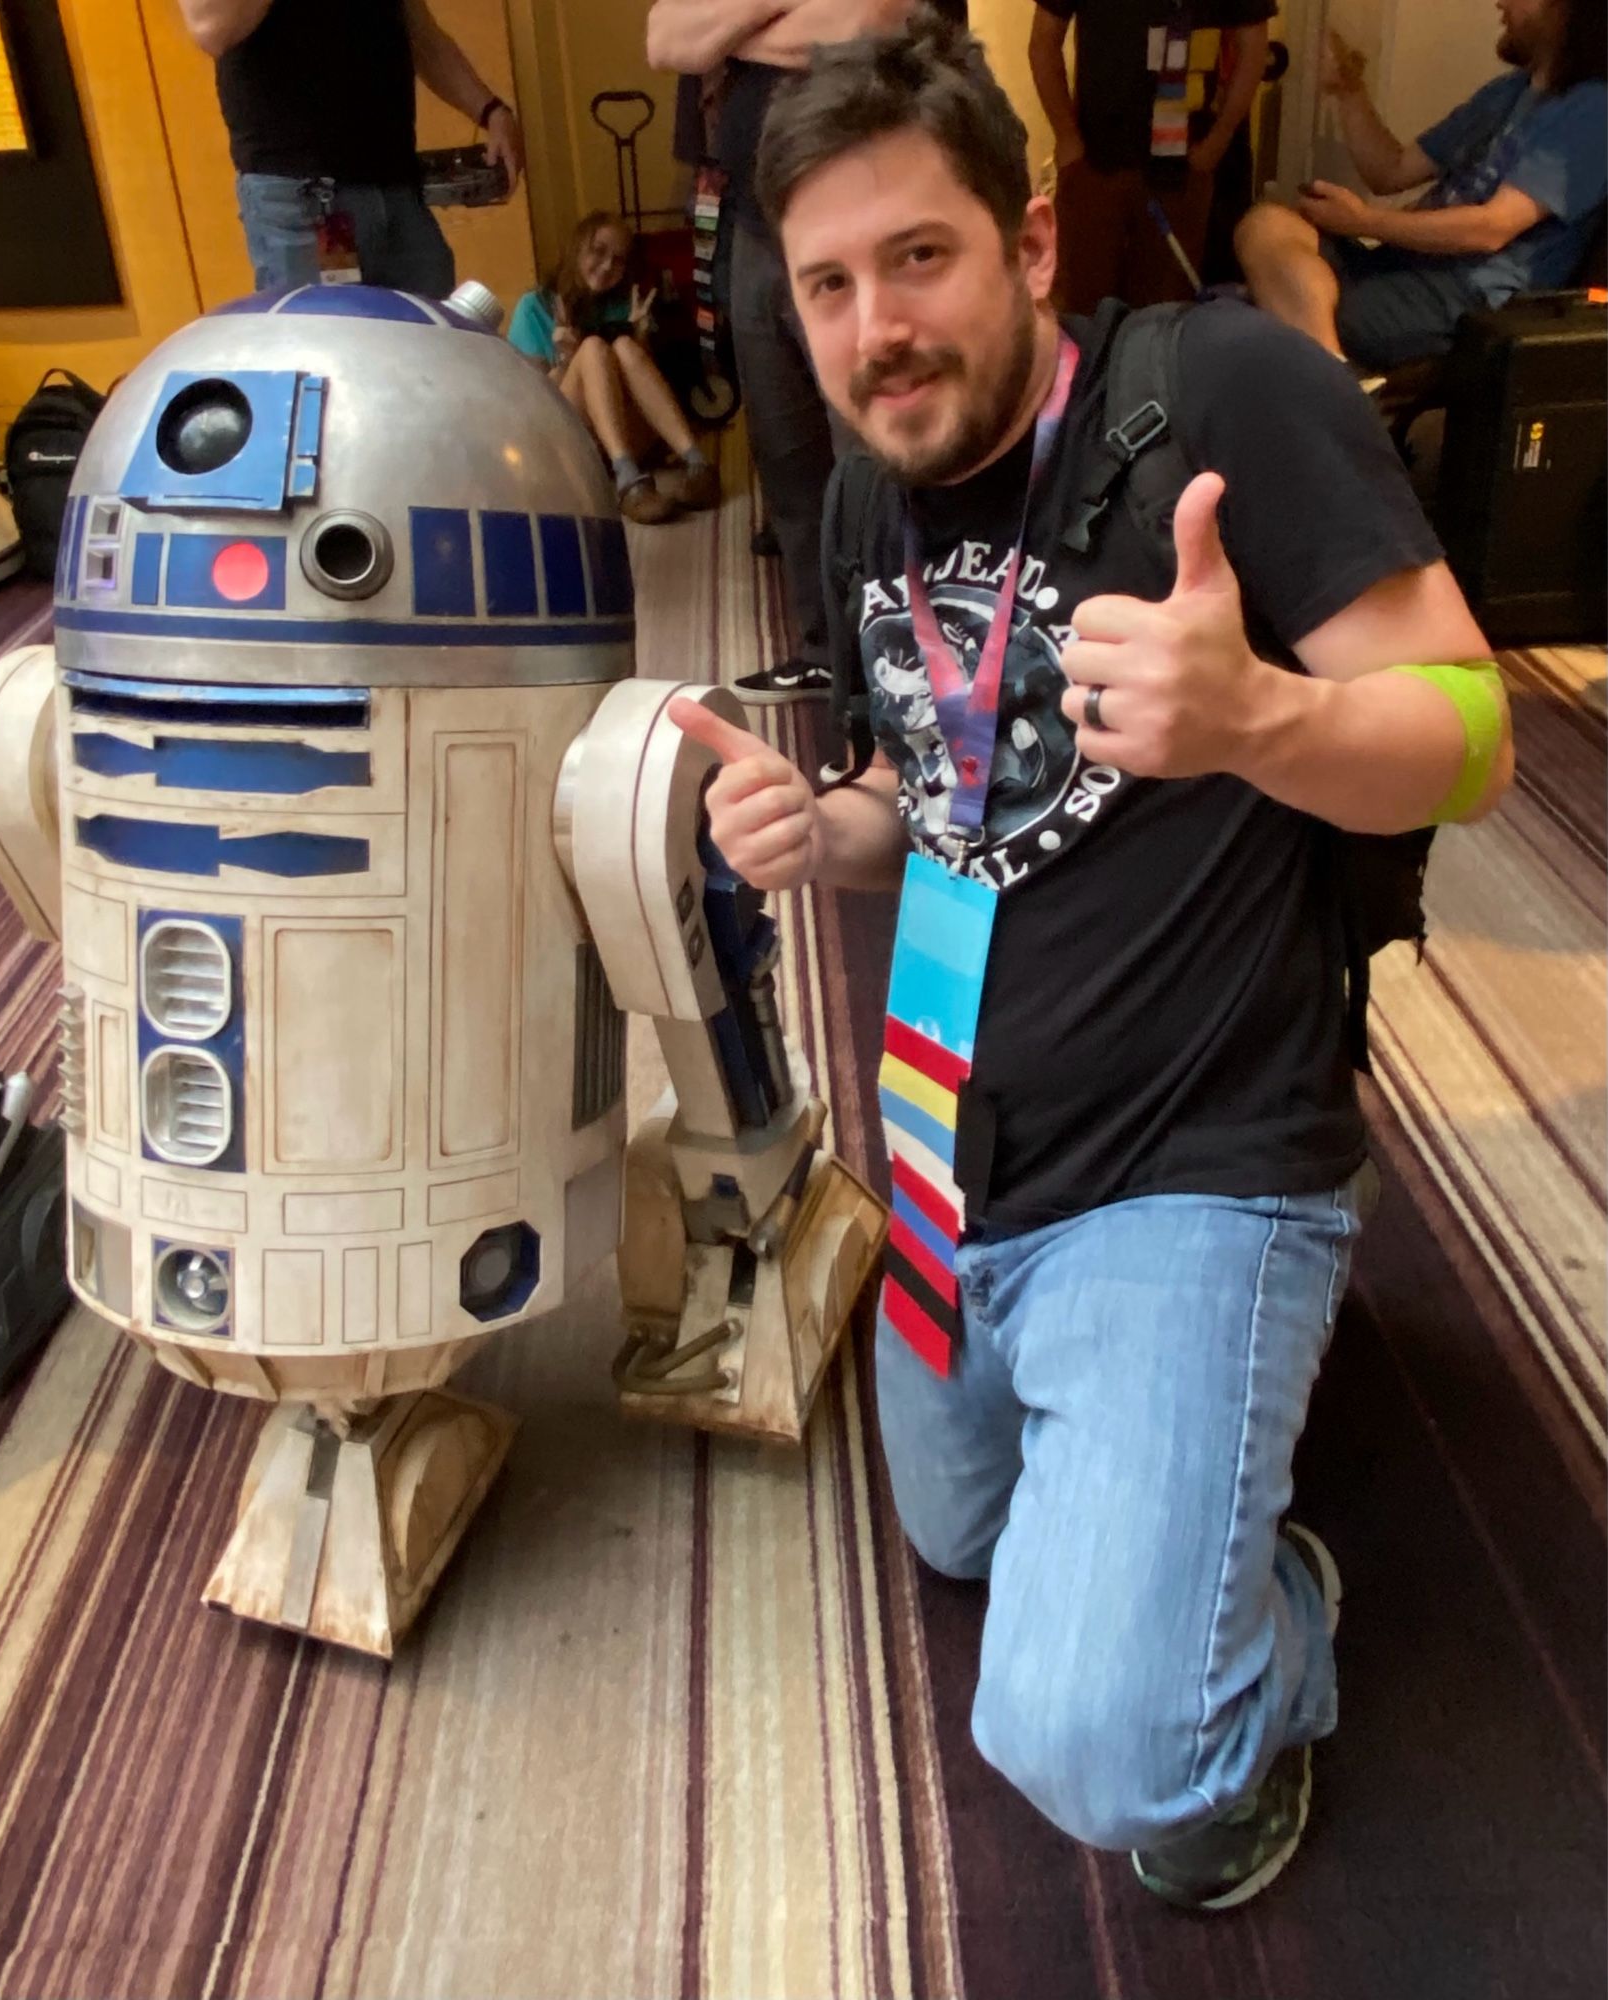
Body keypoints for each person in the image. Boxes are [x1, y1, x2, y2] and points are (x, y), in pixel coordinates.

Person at [670, 9, 1513, 1911]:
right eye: (827, 284)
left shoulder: (1220, 396)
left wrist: (1262, 726)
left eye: (921, 257)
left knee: (1110, 1753)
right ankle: (1160, 1482)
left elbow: (1475, 729)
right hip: (956, 1146)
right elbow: (943, 776)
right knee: (957, 1541)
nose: (878, 326)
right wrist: (839, 827)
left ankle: (1278, 1608)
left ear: (1030, 246)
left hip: (1199, 1154)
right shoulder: (865, 491)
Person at [647, 0, 958, 705]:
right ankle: (825, 651)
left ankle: (907, 653)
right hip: (754, 225)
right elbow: (668, 39)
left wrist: (731, 34)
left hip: (860, 211)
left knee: (875, 454)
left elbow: (873, 22)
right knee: (786, 457)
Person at [1235, 0, 1607, 375]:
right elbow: (1389, 171)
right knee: (1267, 225)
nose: (1500, 2)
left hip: (1464, 297)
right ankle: (1336, 380)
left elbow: (1490, 229)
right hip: (1400, 264)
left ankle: (1331, 391)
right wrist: (1348, 91)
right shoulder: (1506, 92)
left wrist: (1362, 222)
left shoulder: (1592, 108)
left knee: (1279, 310)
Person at [178, 0, 525, 297]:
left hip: (397, 188)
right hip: (302, 201)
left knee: (428, 352)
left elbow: (421, 34)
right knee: (327, 360)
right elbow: (211, 26)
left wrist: (490, 110)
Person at [1030, 0, 1272, 313]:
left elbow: (1253, 49)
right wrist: (1066, 139)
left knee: (1165, 314)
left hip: (1183, 169)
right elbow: (1043, 41)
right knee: (1080, 310)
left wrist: (1217, 141)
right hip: (1093, 162)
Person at [506, 212, 718, 526]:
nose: (607, 266)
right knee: (593, 349)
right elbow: (529, 408)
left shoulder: (623, 303)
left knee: (624, 348)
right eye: (599, 251)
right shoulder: (535, 306)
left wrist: (642, 339)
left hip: (624, 434)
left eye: (618, 260)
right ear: (578, 247)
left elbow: (645, 393)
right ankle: (629, 480)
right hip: (567, 441)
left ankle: (698, 465)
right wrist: (566, 360)